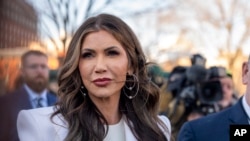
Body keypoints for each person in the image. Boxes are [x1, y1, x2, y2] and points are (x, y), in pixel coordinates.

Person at [16, 13, 171, 141]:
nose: (100, 67)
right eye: (88, 55)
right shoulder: (39, 125)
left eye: (112, 53)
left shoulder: (159, 128)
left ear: (131, 65)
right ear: (77, 65)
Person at [177, 54, 250, 141]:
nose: (223, 91)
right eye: (218, 86)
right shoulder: (197, 133)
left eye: (228, 87)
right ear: (246, 72)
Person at [0, 50, 57, 141]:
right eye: (33, 66)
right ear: (22, 71)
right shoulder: (5, 104)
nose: (39, 71)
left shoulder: (60, 103)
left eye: (43, 66)